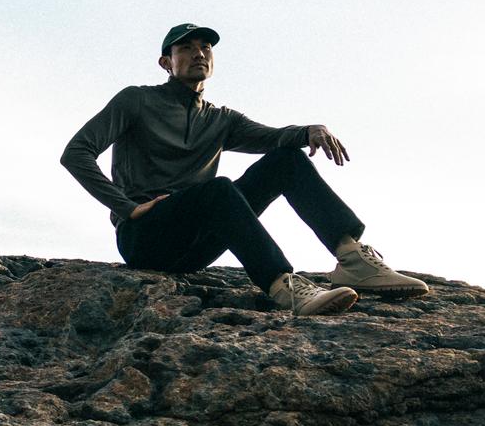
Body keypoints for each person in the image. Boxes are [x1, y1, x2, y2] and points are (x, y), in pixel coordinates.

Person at [60, 22, 428, 316]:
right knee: (220, 188)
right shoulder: (136, 100)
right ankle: (284, 285)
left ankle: (351, 257)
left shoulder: (221, 119)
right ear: (165, 62)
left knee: (287, 159)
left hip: (199, 244)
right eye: (185, 48)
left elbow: (272, 138)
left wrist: (308, 131)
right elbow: (76, 153)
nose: (198, 53)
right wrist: (128, 208)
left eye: (205, 47)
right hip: (146, 238)